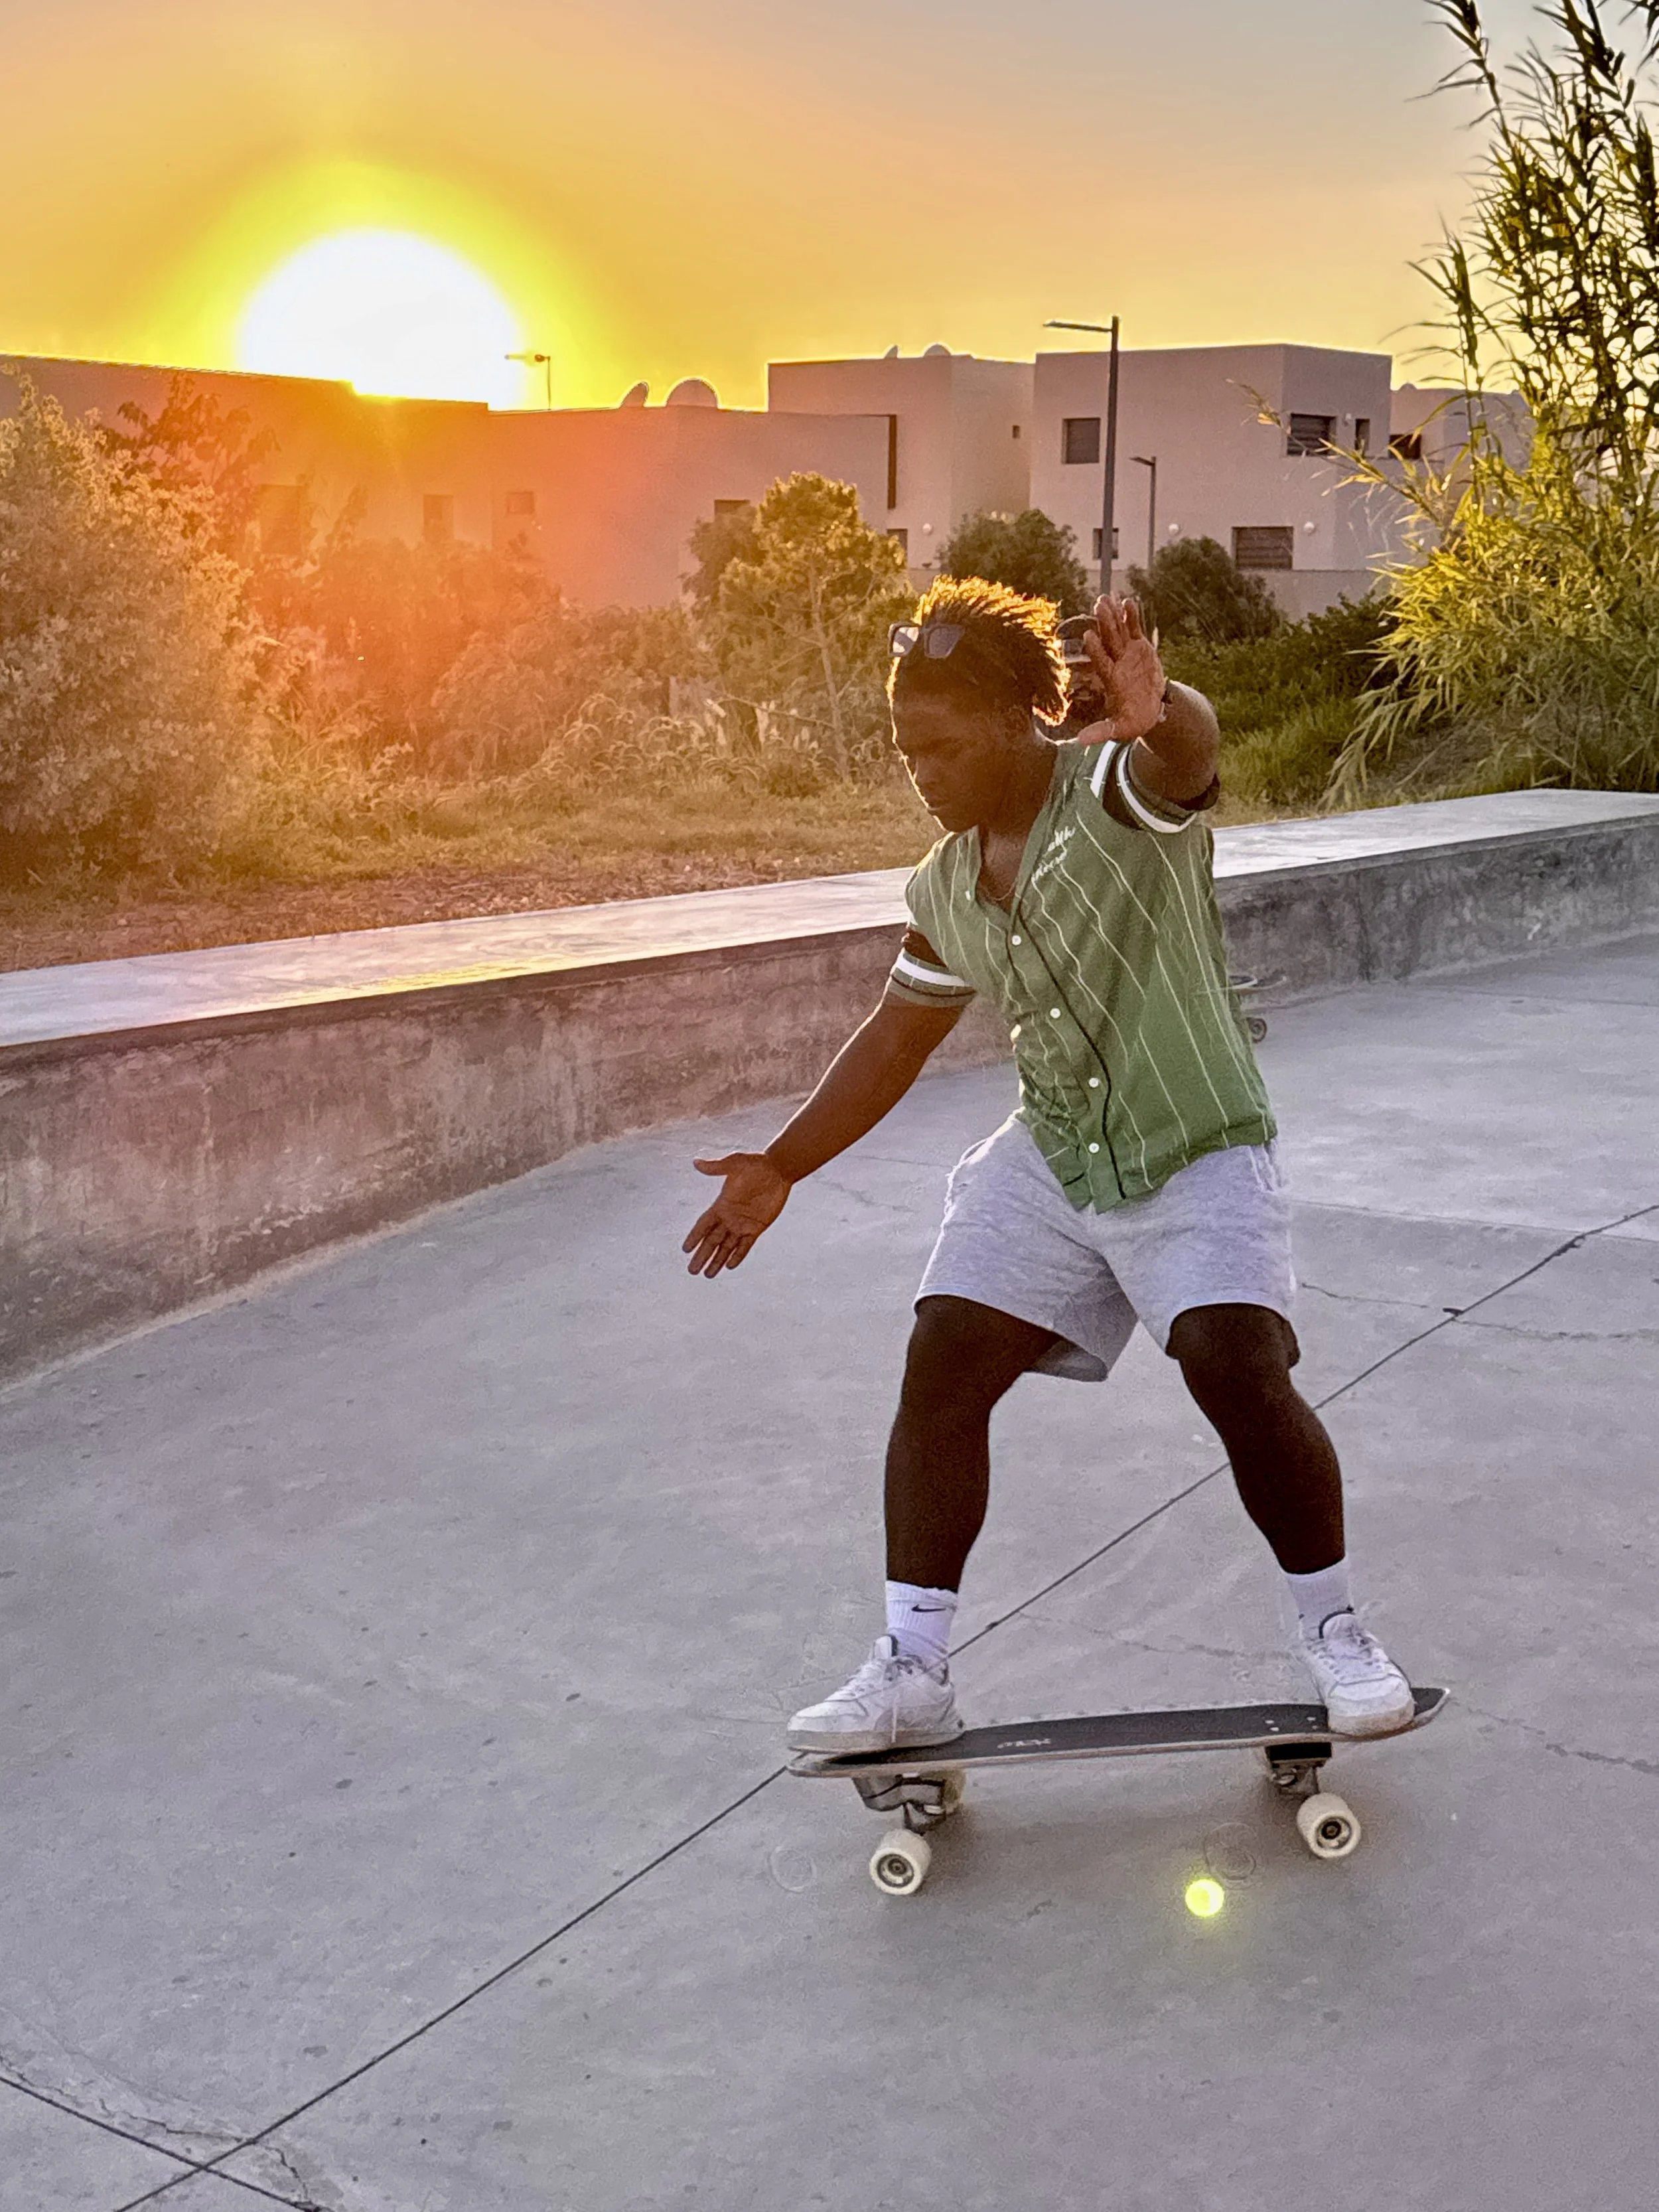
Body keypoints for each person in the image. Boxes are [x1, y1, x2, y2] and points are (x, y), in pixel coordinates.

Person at [682, 576, 1414, 1753]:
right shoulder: (946, 882)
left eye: (941, 747)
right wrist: (783, 1163)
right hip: (1057, 1152)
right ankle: (913, 1669)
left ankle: (1338, 1633)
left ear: (1015, 718)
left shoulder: (1115, 790)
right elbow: (896, 1037)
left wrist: (1162, 707)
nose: (922, 774)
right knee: (942, 1360)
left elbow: (1186, 760)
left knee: (1233, 1363)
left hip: (1195, 1142)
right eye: (906, 753)